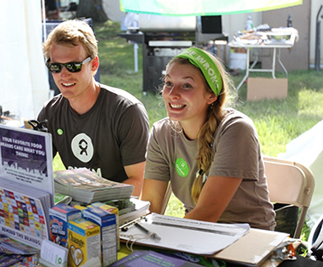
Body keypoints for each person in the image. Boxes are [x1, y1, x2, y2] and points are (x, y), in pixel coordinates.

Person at [141, 47, 276, 230]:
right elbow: (150, 208)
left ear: (211, 95)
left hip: (247, 241)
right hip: (195, 236)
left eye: (186, 85)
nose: (173, 93)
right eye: (168, 83)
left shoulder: (236, 129)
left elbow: (207, 214)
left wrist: (163, 240)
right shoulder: (161, 133)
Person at [37, 19, 149, 196]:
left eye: (73, 66)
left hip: (121, 211)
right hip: (79, 211)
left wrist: (95, 205)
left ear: (94, 64)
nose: (63, 75)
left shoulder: (126, 110)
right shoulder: (50, 111)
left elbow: (140, 181)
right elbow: (33, 172)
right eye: (55, 67)